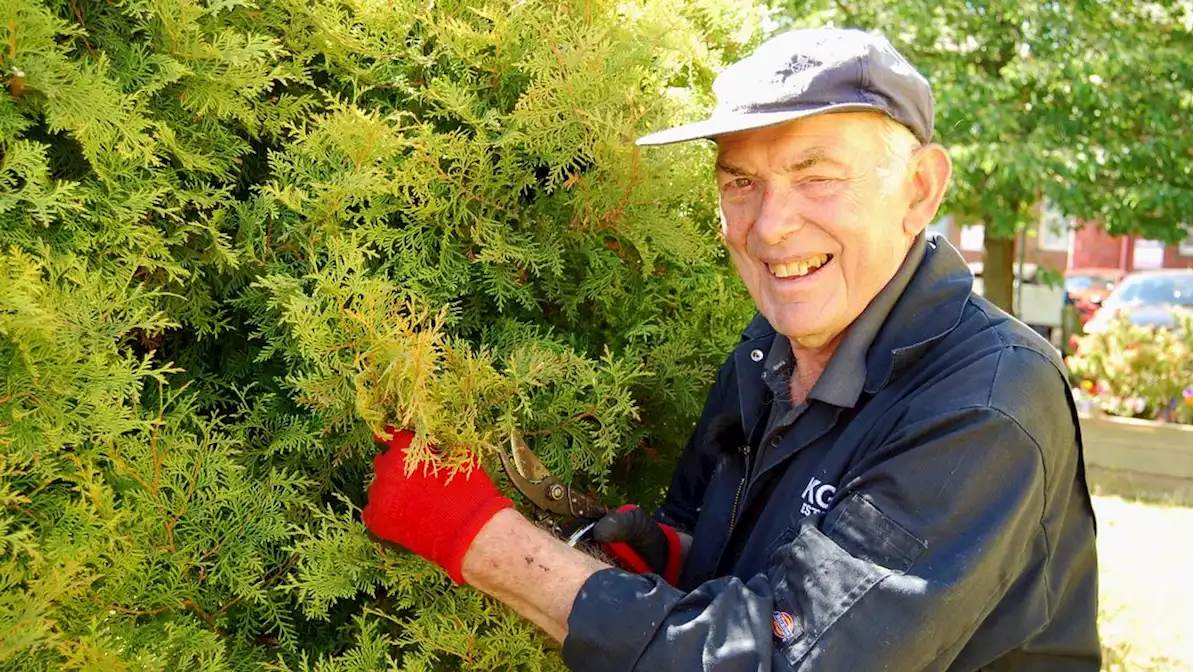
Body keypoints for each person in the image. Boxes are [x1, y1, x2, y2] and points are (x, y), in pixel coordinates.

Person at [362, 27, 1101, 671]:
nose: (771, 226)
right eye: (741, 182)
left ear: (919, 190)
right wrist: (668, 560)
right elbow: (720, 550)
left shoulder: (988, 404)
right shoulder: (768, 349)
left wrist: (479, 539)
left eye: (816, 177)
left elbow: (788, 658)